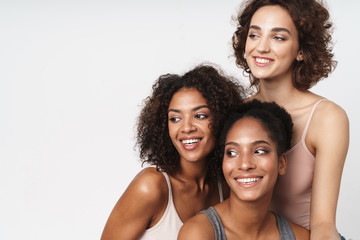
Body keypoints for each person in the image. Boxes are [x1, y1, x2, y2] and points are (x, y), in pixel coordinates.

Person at [232, 0, 349, 239]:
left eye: (278, 38)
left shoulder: (326, 118)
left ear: (300, 51)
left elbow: (324, 224)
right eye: (254, 35)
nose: (261, 47)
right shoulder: (234, 113)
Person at [100, 64, 245, 240]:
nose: (186, 128)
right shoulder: (151, 187)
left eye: (200, 116)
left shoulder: (225, 187)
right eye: (175, 118)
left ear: (222, 119)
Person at [178, 100, 310, 239]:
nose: (245, 164)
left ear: (281, 163)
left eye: (259, 151)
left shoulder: (300, 236)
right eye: (232, 153)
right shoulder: (199, 233)